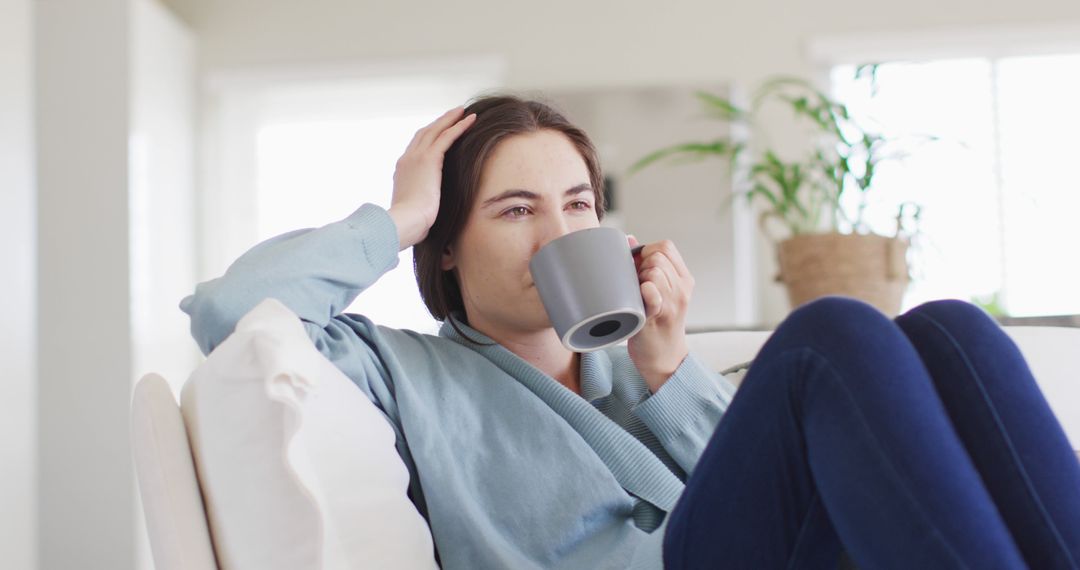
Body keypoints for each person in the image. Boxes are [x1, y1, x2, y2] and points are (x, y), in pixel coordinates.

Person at [182, 96, 1080, 569]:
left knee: (953, 329)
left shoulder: (637, 368)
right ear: (449, 245)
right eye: (515, 209)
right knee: (826, 337)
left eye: (578, 205)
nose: (559, 235)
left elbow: (757, 503)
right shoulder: (394, 367)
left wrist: (666, 365)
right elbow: (236, 312)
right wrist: (401, 212)